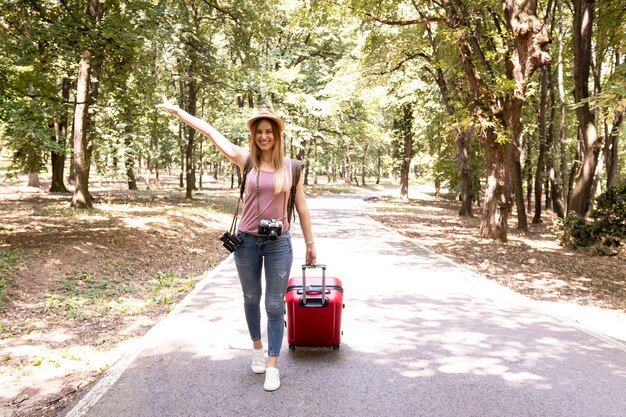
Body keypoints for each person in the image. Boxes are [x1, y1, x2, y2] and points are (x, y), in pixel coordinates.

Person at [156, 96, 316, 391]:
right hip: (246, 242)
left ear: (277, 135)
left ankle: (272, 365)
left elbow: (302, 208)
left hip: (279, 242)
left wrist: (310, 242)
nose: (264, 136)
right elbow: (211, 132)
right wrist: (179, 111)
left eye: (269, 131)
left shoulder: (292, 168)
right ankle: (257, 349)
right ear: (254, 135)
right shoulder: (246, 160)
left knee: (274, 305)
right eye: (259, 132)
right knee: (251, 298)